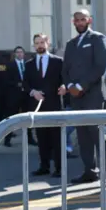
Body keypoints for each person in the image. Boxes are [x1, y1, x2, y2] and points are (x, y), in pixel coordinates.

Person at [62, 9, 106, 186]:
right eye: (77, 20)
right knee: (82, 134)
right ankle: (90, 171)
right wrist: (70, 86)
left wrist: (81, 86)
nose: (80, 22)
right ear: (73, 22)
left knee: (96, 132)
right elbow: (65, 70)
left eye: (83, 19)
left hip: (92, 94)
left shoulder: (97, 38)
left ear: (89, 20)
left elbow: (100, 66)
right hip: (75, 96)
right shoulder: (71, 44)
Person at [24, 34, 65, 177]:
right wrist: (33, 92)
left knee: (56, 138)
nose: (40, 45)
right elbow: (25, 84)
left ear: (48, 43)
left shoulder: (58, 62)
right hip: (37, 106)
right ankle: (44, 166)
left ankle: (59, 168)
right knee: (41, 138)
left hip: (54, 104)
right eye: (37, 43)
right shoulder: (29, 64)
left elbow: (65, 78)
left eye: (42, 42)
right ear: (34, 45)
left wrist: (64, 86)